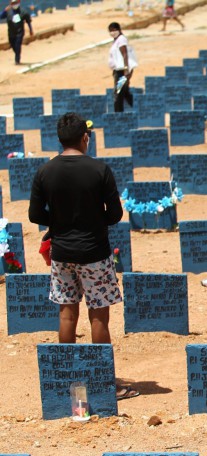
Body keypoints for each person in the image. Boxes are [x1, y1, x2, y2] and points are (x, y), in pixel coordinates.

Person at [28, 113, 138, 401]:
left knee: (67, 314)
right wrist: (92, 218)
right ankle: (103, 383)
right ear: (85, 138)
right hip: (94, 253)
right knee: (98, 317)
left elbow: (35, 215)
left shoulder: (45, 172)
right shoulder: (100, 170)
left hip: (61, 253)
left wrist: (60, 221)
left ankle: (70, 381)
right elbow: (115, 214)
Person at [107, 22, 138, 112]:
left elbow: (124, 54)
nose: (112, 32)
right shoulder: (116, 40)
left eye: (114, 30)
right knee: (124, 92)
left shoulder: (121, 40)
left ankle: (118, 114)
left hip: (122, 72)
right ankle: (138, 109)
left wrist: (126, 69)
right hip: (118, 71)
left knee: (118, 92)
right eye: (110, 31)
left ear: (119, 30)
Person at [1, 0, 32, 66]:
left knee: (18, 45)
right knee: (12, 45)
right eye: (13, 3)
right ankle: (17, 53)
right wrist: (4, 11)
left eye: (15, 3)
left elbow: (28, 21)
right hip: (11, 32)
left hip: (19, 32)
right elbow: (1, 17)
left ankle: (17, 59)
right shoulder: (8, 11)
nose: (14, 4)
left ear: (18, 3)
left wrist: (30, 30)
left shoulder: (23, 12)